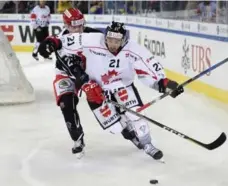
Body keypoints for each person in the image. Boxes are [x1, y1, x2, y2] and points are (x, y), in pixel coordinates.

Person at [38, 21, 184, 160]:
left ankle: (148, 144)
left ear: (124, 40)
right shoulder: (94, 39)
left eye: (117, 41)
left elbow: (149, 68)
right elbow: (65, 40)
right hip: (96, 90)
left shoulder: (134, 49)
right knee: (114, 128)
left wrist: (164, 83)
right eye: (110, 40)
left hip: (122, 86)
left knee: (137, 115)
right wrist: (52, 42)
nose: (112, 44)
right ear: (105, 36)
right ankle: (128, 130)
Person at [40, 7, 102, 158]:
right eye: (74, 25)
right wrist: (46, 44)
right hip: (67, 75)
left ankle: (126, 126)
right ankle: (77, 138)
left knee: (100, 99)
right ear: (66, 26)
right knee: (66, 104)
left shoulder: (94, 34)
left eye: (81, 24)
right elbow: (50, 43)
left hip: (88, 74)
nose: (78, 28)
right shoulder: (61, 40)